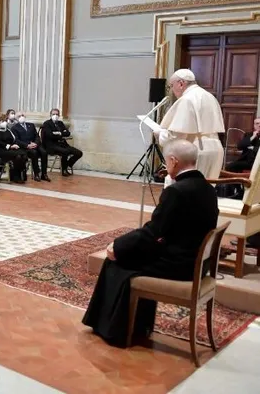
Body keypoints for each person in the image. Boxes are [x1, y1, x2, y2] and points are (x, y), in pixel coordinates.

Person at [82, 140, 218, 348]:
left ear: (173, 161)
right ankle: (140, 325)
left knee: (115, 262)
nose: (166, 165)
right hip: (197, 263)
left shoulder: (177, 191)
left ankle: (115, 331)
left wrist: (118, 245)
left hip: (178, 265)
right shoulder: (207, 188)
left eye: (166, 161)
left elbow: (153, 232)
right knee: (132, 252)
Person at [156, 69, 225, 186]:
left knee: (186, 190)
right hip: (216, 149)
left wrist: (160, 134)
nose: (172, 90)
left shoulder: (187, 99)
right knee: (205, 190)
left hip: (194, 151)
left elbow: (177, 136)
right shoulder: (209, 96)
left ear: (181, 83)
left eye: (171, 86)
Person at [42, 108, 82, 177]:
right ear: (50, 115)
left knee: (79, 153)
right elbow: (50, 135)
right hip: (52, 145)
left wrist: (59, 133)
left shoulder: (60, 123)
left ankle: (68, 164)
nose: (55, 116)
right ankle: (64, 170)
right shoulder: (47, 123)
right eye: (53, 114)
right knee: (65, 152)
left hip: (62, 144)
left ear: (59, 115)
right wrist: (61, 134)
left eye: (57, 114)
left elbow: (68, 133)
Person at [11, 112, 50, 182]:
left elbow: (37, 136)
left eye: (22, 115)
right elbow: (16, 140)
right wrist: (27, 145)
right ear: (16, 119)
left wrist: (35, 143)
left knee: (44, 152)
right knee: (34, 153)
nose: (21, 117)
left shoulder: (31, 125)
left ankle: (44, 174)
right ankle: (36, 174)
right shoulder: (14, 128)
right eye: (19, 116)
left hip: (34, 144)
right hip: (25, 147)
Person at [0, 117, 27, 183]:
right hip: (0, 150)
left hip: (10, 149)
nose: (4, 123)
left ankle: (19, 174)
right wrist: (10, 146)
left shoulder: (8, 130)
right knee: (19, 156)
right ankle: (16, 176)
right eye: (2, 121)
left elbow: (14, 139)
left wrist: (15, 145)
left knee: (23, 156)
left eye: (5, 121)